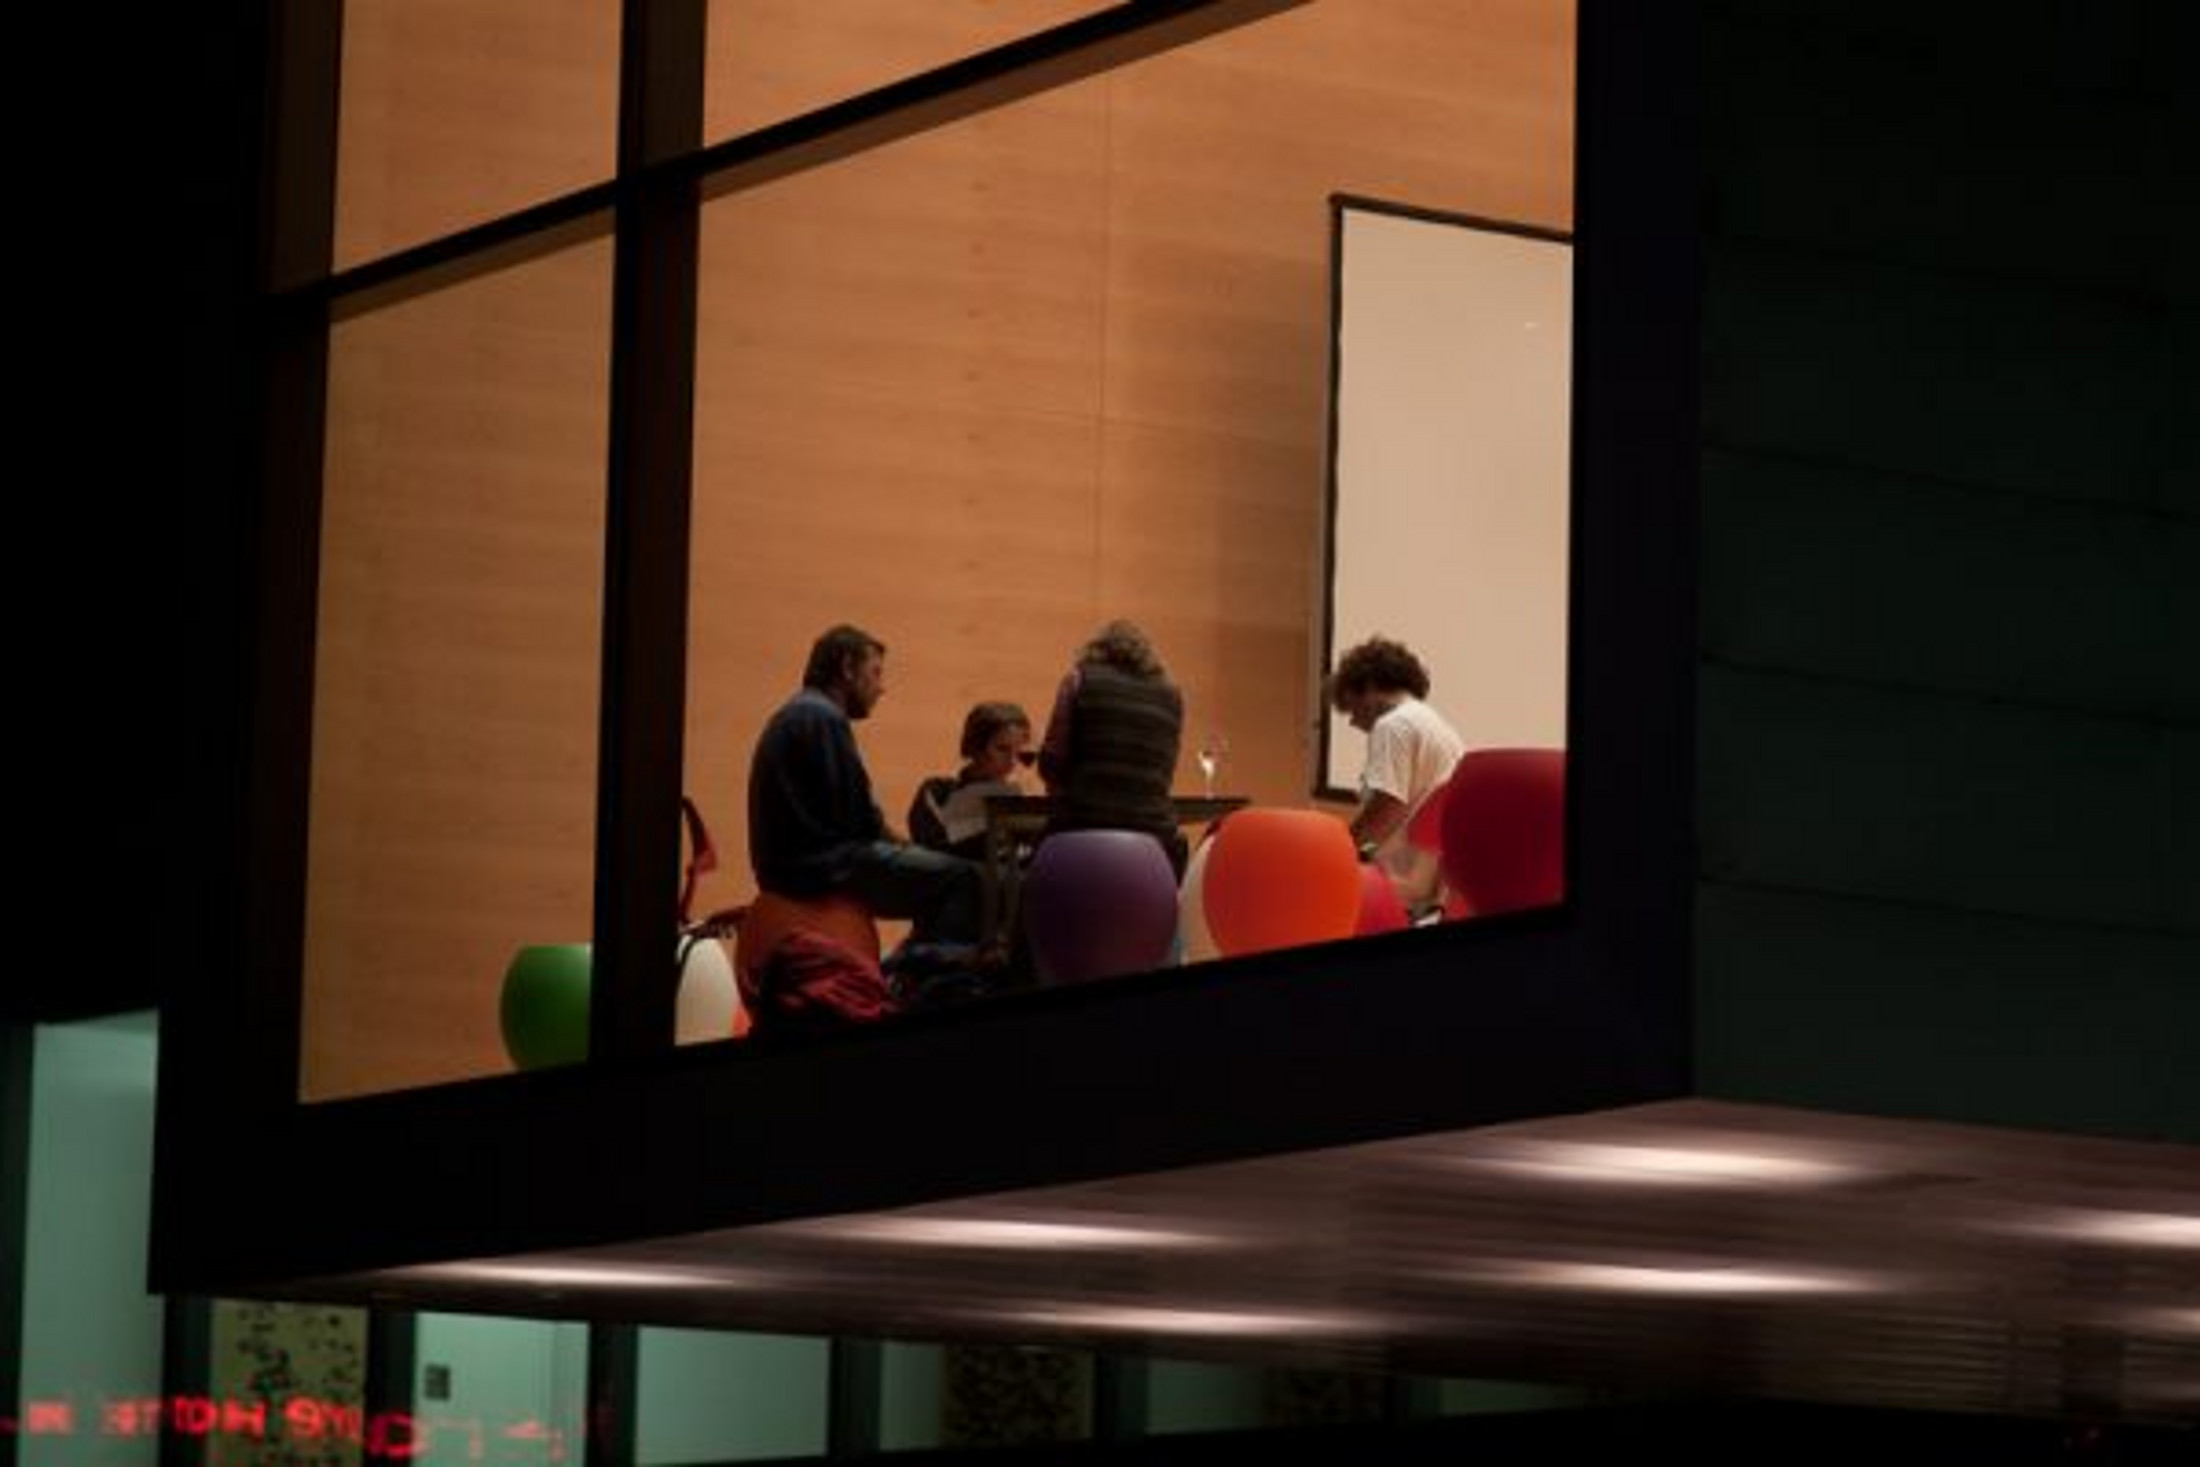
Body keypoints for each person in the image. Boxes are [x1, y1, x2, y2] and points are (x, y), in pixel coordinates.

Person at [747, 624, 982, 952]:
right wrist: (915, 848)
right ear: (847, 668)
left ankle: (909, 966)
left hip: (790, 868)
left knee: (936, 873)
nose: (881, 688)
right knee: (965, 879)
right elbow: (862, 821)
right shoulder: (823, 717)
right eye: (875, 672)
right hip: (821, 869)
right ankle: (929, 976)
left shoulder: (797, 713)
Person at [1327, 635, 1466, 914]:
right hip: (1430, 888)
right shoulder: (1438, 726)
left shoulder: (1393, 726)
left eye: (1351, 707)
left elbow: (1388, 807)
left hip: (1395, 889)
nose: (1353, 721)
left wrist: (1339, 853)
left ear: (1368, 686)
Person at [1037, 620, 1188, 875]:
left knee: (1028, 868)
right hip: (1155, 837)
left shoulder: (1078, 679)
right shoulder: (1173, 695)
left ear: (1096, 650)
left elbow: (1052, 761)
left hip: (1082, 827)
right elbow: (1166, 772)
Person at [908, 701, 1036, 862]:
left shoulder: (1014, 800)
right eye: (1002, 749)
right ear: (976, 746)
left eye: (1019, 750)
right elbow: (934, 845)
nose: (1012, 761)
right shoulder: (936, 791)